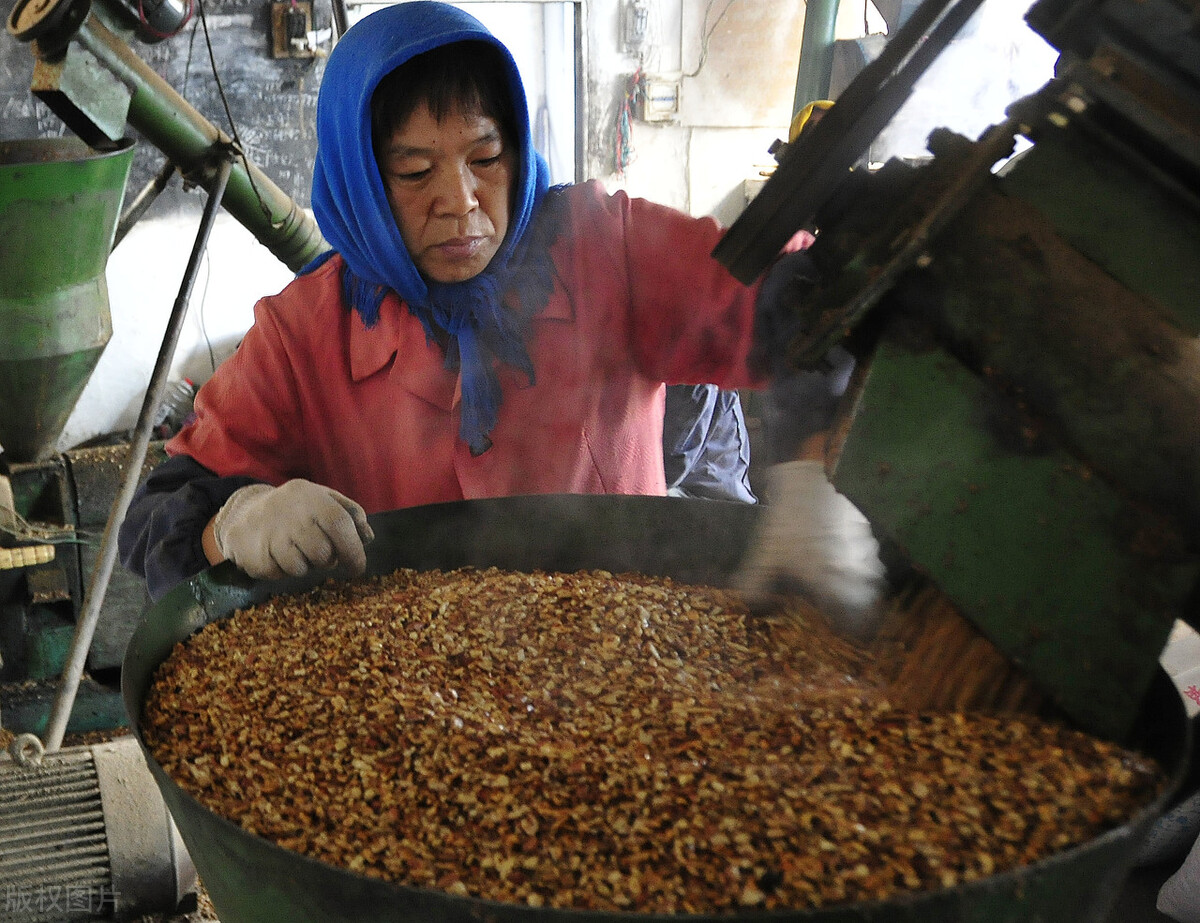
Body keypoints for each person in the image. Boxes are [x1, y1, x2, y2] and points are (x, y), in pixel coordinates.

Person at [118, 0, 884, 623]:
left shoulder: (605, 249)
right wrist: (240, 519)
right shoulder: (302, 334)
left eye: (486, 158)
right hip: (411, 687)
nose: (461, 202)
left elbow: (807, 299)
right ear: (359, 183)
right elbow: (157, 515)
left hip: (629, 649)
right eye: (415, 172)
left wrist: (809, 465)